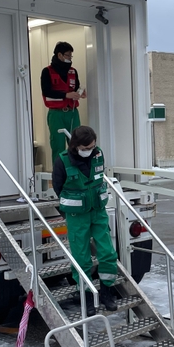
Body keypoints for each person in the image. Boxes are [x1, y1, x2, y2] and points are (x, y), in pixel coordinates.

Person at [52, 126, 117, 316]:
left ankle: (107, 292)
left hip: (98, 211)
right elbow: (58, 186)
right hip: (76, 215)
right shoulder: (62, 160)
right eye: (86, 147)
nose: (90, 150)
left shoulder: (98, 155)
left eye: (92, 146)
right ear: (76, 146)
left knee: (107, 253)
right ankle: (87, 296)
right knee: (81, 258)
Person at [41, 41, 87, 165]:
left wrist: (80, 93)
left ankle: (78, 170)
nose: (70, 58)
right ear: (59, 55)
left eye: (71, 56)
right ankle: (59, 173)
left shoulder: (73, 71)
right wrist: (65, 95)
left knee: (77, 143)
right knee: (58, 144)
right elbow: (46, 92)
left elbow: (76, 87)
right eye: (68, 55)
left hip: (72, 113)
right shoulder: (47, 71)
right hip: (56, 114)